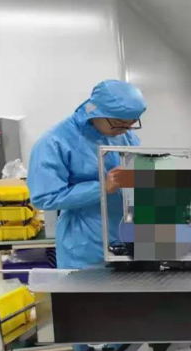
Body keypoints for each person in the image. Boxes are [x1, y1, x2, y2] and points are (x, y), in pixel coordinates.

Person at [28, 80, 146, 269]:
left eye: (131, 123)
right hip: (85, 247)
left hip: (127, 241)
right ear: (97, 112)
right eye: (119, 124)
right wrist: (102, 188)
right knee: (89, 289)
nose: (125, 130)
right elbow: (44, 198)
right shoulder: (55, 142)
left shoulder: (123, 136)